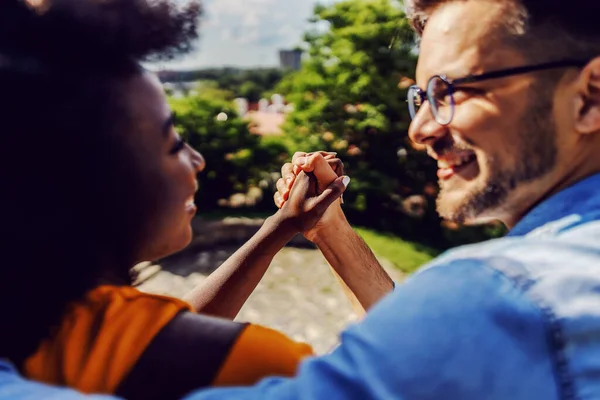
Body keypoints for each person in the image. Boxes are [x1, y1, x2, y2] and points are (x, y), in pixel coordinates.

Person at [181, 0, 600, 398]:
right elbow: (429, 352)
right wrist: (330, 230)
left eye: (455, 90)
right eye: (422, 98)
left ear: (590, 97)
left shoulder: (504, 296)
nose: (420, 129)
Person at [0, 0, 362, 399]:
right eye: (173, 142)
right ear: (98, 178)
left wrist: (278, 229)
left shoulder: (32, 317)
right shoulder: (264, 369)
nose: (198, 160)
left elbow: (143, 342)